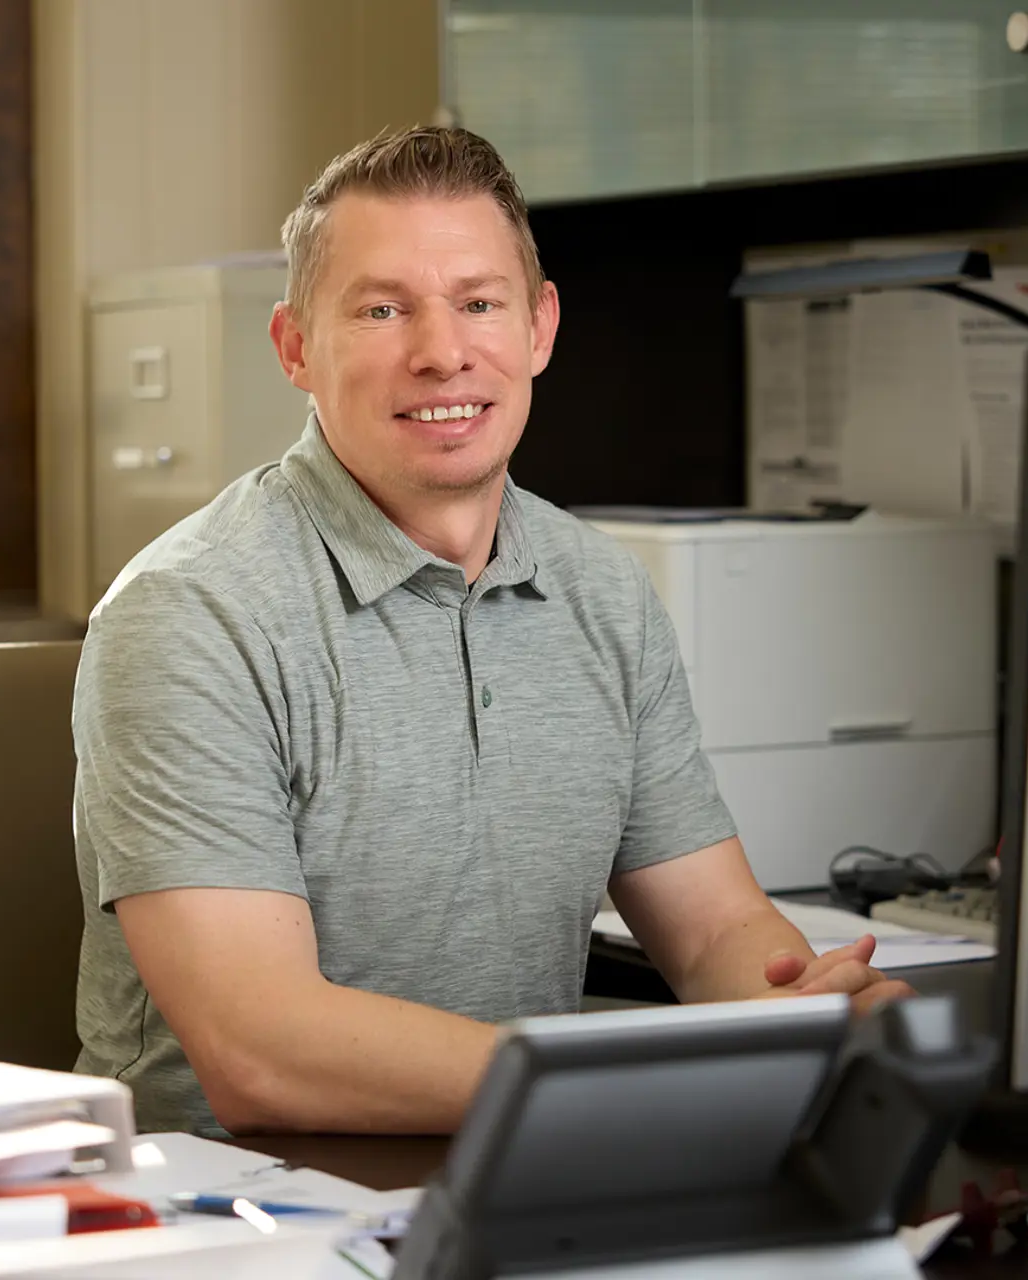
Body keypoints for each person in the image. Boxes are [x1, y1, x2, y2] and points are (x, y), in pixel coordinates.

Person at [71, 126, 912, 1137]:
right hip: (255, 1211)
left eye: (478, 303)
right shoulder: (192, 611)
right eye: (383, 310)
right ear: (297, 347)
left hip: (535, 1163)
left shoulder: (603, 590)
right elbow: (261, 1046)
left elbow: (718, 925)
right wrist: (636, 1090)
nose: (442, 352)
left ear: (539, 328)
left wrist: (806, 1014)